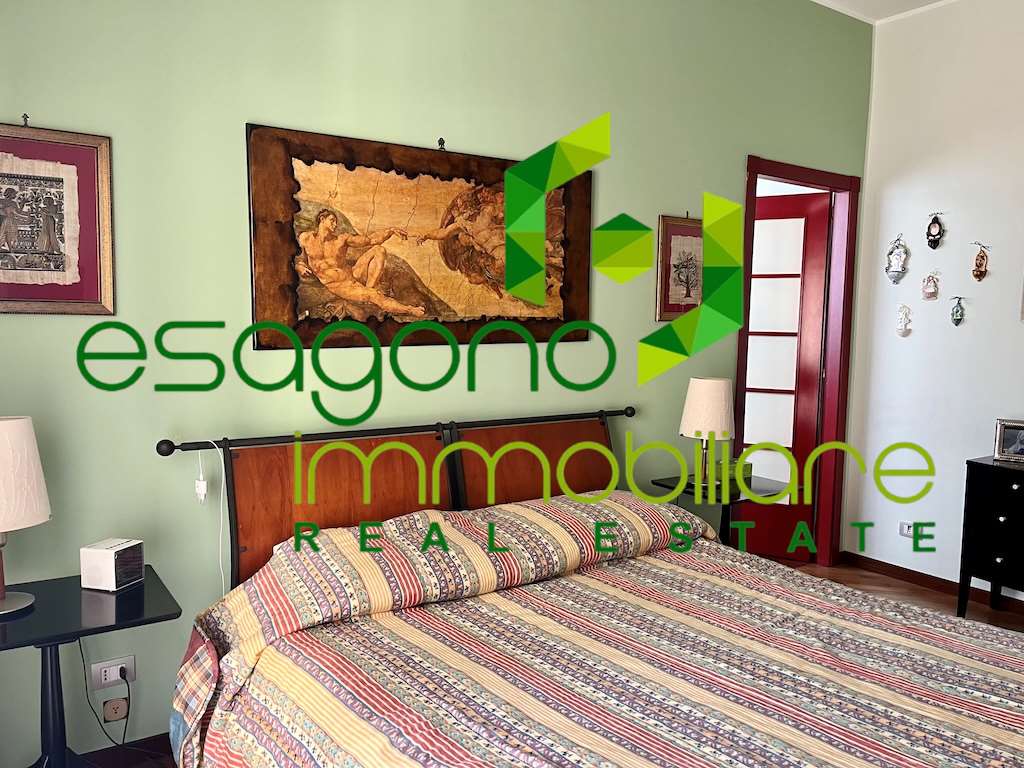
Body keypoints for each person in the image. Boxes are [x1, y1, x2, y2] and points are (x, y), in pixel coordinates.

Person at [297, 209, 424, 317]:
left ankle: (369, 288)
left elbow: (370, 240)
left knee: (378, 249)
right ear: (322, 219)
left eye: (336, 222)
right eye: (332, 220)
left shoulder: (341, 239)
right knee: (374, 295)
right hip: (339, 285)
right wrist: (300, 266)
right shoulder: (306, 238)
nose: (335, 225)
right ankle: (410, 310)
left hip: (353, 274)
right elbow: (299, 258)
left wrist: (390, 231)